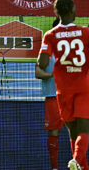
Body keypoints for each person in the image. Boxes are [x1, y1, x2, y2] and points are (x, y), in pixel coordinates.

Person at [37, 0, 89, 170]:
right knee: (84, 130)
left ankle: (78, 163)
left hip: (63, 89)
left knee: (72, 132)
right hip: (83, 86)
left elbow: (43, 63)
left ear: (56, 12)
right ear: (74, 11)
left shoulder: (51, 35)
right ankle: (76, 160)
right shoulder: (87, 33)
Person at [35, 36, 64, 170]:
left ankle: (78, 164)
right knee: (54, 133)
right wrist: (52, 75)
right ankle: (55, 167)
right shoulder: (45, 52)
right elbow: (38, 72)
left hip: (72, 97)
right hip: (53, 97)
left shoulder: (74, 50)